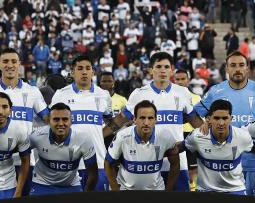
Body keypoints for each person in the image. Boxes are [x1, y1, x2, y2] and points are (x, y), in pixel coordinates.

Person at [104, 52, 203, 191]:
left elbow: (196, 123)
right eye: (158, 66)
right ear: (151, 69)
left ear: (172, 69)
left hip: (177, 163)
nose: (162, 70)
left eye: (166, 66)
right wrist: (99, 135)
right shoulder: (139, 93)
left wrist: (209, 136)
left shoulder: (183, 92)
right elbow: (120, 120)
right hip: (147, 166)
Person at [0, 48, 49, 195]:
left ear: (19, 64)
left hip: (25, 161)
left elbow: (48, 118)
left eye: (14, 61)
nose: (10, 65)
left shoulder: (32, 91)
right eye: (5, 61)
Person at [194, 51, 255, 195]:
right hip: (221, 161)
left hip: (252, 161)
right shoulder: (216, 91)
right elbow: (194, 114)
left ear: (247, 68)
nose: (237, 69)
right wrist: (203, 128)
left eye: (242, 65)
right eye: (233, 65)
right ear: (227, 69)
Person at [51, 55, 112, 191]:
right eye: (80, 68)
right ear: (73, 72)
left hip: (98, 163)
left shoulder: (103, 95)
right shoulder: (61, 95)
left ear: (93, 72)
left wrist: (100, 135)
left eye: (87, 68)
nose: (84, 72)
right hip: (69, 164)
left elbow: (110, 121)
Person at [105, 100, 180, 191]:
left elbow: (175, 164)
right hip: (126, 191)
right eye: (142, 118)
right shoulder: (122, 136)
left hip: (156, 191)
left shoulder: (165, 136)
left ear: (155, 120)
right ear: (134, 119)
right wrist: (115, 189)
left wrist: (168, 191)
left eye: (150, 118)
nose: (146, 122)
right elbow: (108, 163)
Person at [186, 99, 253, 194]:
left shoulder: (243, 137)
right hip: (205, 190)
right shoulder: (197, 136)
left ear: (231, 119)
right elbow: (180, 148)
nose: (221, 123)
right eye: (217, 118)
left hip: (235, 190)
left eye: (225, 118)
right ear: (209, 119)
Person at [29, 103, 97, 195]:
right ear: (49, 121)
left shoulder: (84, 139)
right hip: (42, 184)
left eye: (65, 119)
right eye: (56, 119)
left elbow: (93, 174)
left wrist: (85, 197)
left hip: (71, 186)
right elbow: (20, 149)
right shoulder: (37, 136)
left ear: (71, 121)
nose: (61, 123)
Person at [174, 68, 201, 190]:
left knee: (193, 166)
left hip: (192, 134)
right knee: (176, 165)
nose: (180, 82)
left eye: (183, 79)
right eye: (177, 79)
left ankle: (193, 189)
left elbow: (200, 120)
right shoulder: (169, 97)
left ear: (188, 80)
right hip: (176, 136)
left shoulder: (197, 98)